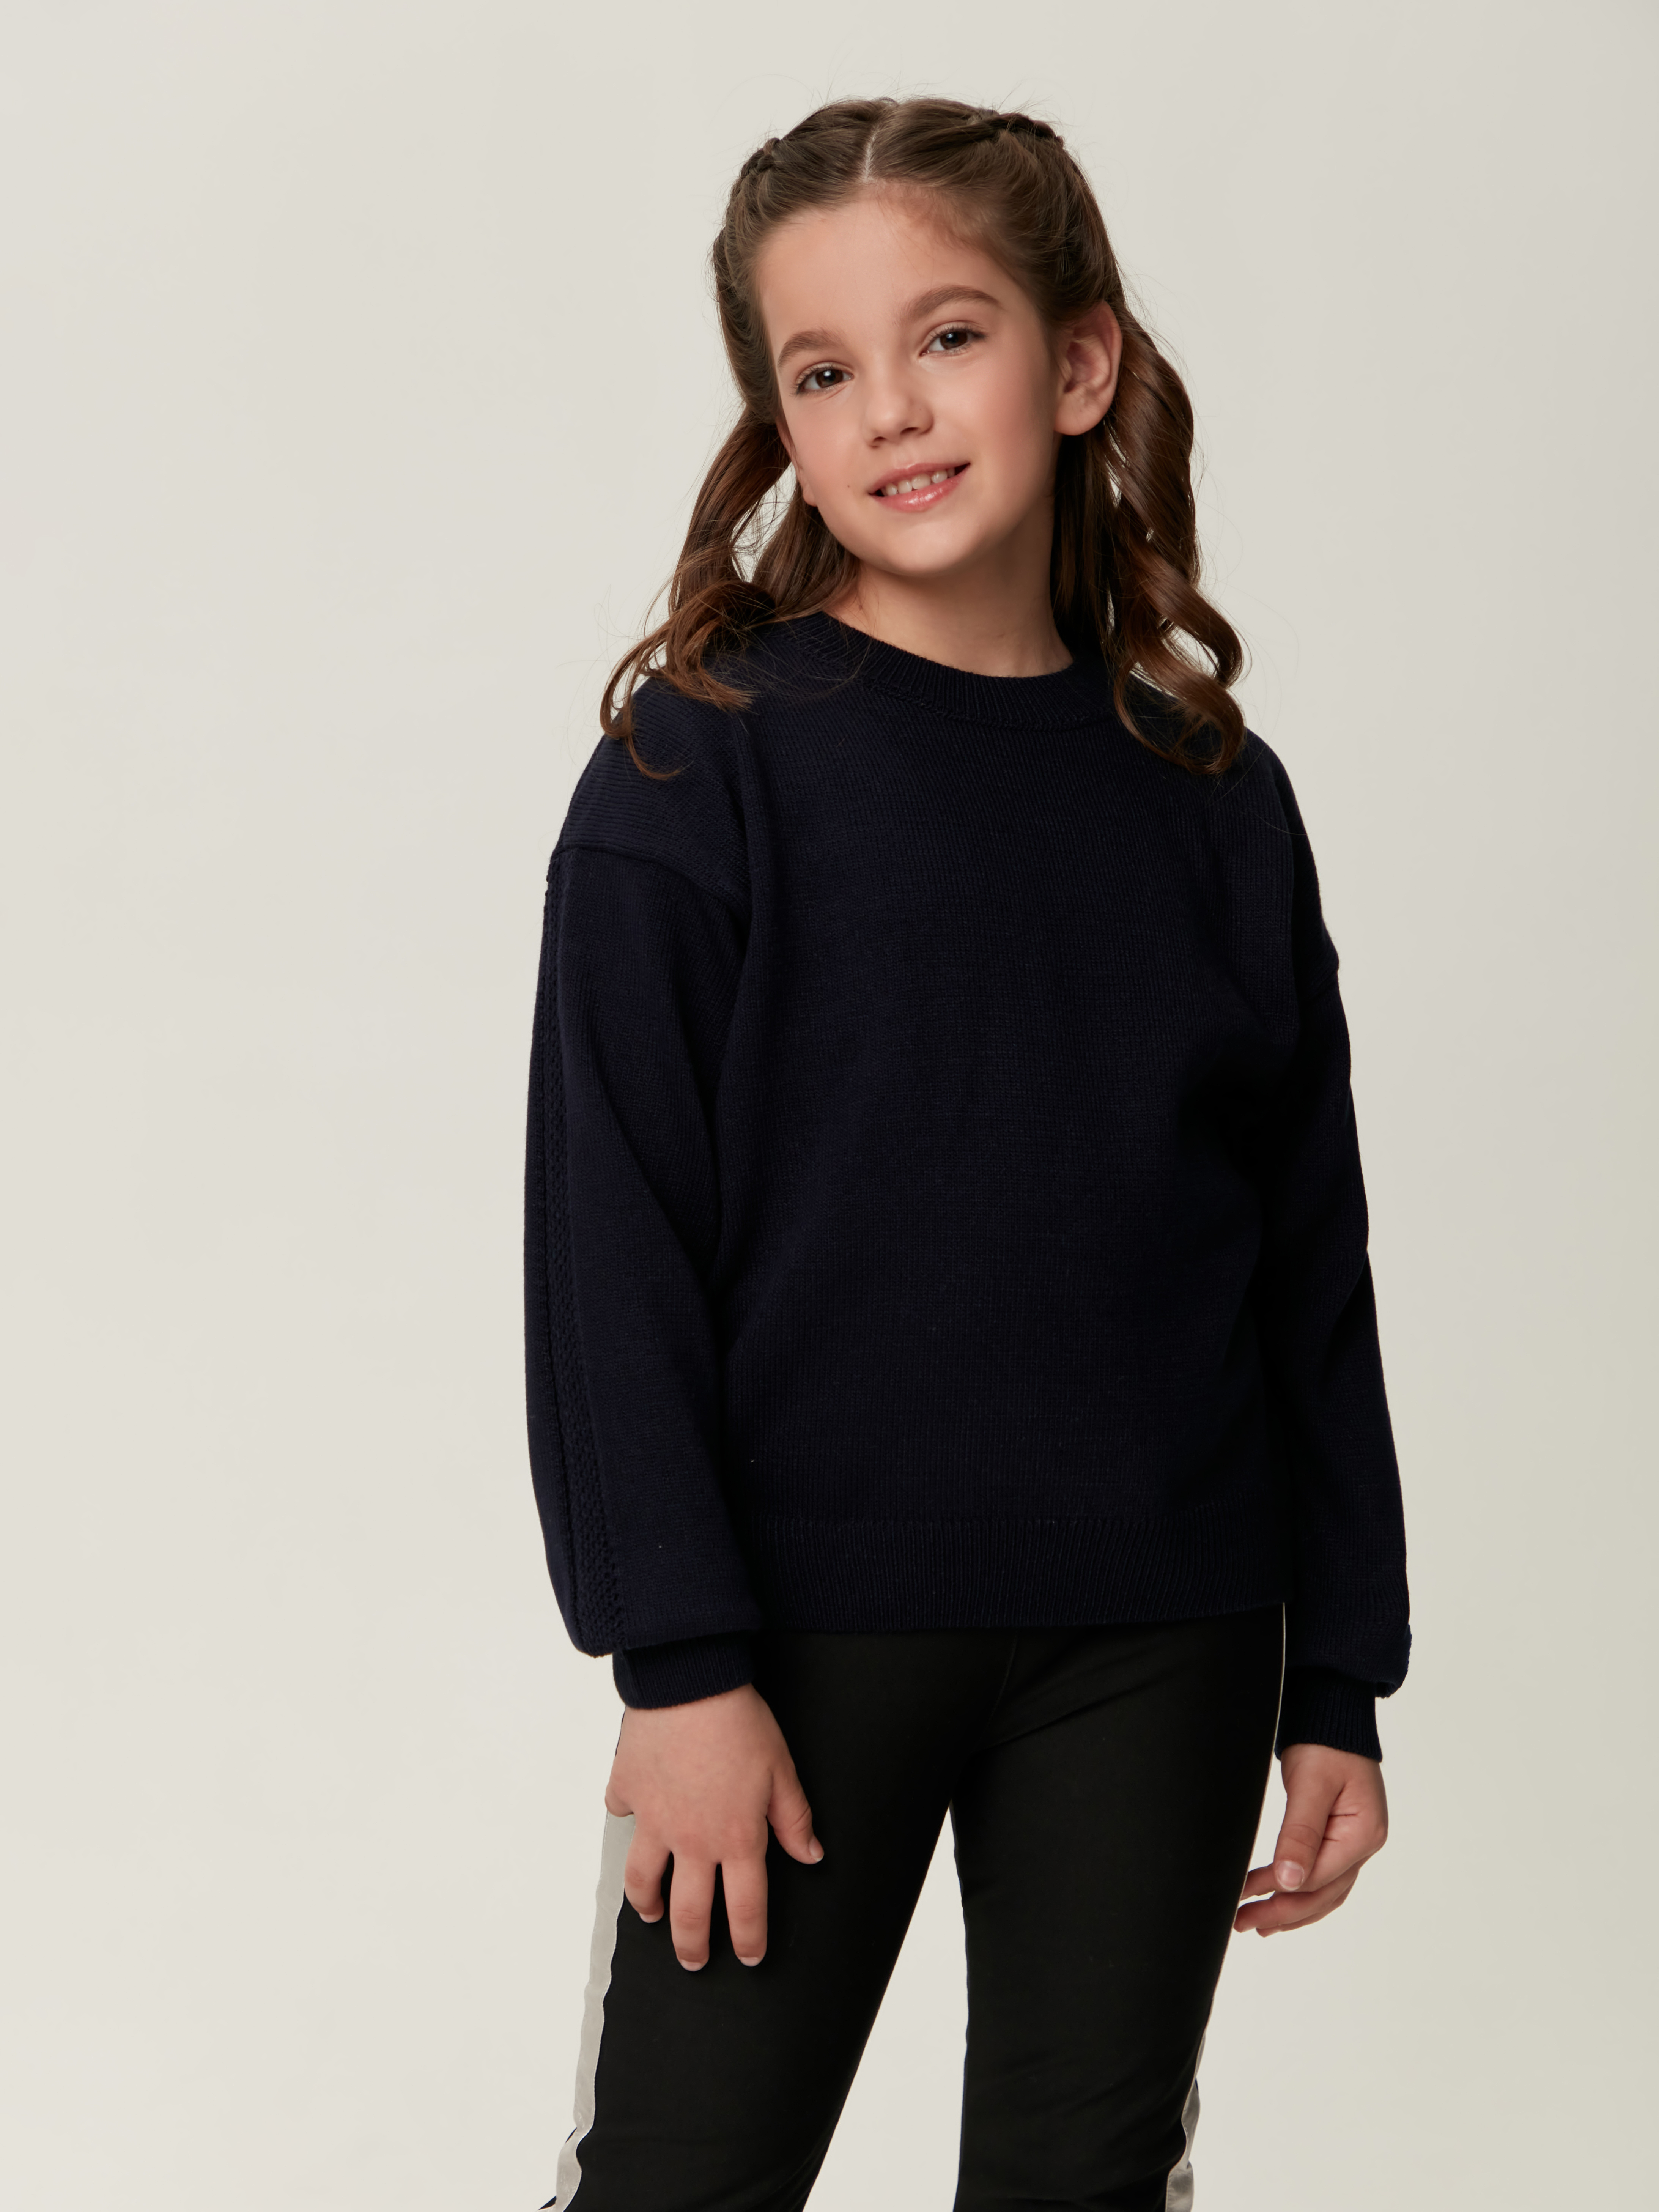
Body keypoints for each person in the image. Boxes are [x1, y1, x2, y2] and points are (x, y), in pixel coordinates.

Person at [522, 96, 1409, 2212]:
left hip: (1163, 1632)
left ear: (1078, 362)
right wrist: (679, 1665)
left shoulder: (1212, 795)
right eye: (823, 370)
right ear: (779, 420)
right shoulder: (695, 773)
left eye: (948, 338)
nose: (893, 411)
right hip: (788, 1641)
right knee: (678, 2179)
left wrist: (1341, 1676)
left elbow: (1308, 1258)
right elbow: (607, 1249)